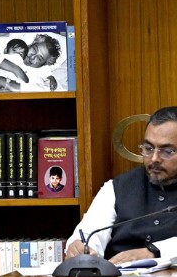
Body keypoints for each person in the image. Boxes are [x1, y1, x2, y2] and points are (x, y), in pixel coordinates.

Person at [66, 107, 177, 264]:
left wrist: (154, 251)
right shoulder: (117, 187)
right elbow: (89, 232)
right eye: (148, 148)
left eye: (167, 151)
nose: (154, 159)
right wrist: (80, 247)